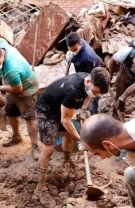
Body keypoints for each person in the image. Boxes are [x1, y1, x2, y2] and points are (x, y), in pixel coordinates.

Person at [34, 67, 110, 196]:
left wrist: (84, 109)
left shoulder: (88, 77)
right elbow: (65, 120)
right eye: (95, 92)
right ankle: (40, 185)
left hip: (62, 106)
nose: (95, 95)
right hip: (46, 110)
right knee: (49, 148)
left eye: (98, 93)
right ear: (88, 82)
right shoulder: (73, 91)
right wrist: (81, 140)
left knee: (69, 133)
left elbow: (88, 96)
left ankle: (67, 162)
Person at [0, 38, 40, 160]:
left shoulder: (11, 69)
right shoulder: (0, 45)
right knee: (11, 113)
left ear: (2, 54)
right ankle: (17, 137)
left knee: (29, 118)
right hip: (12, 86)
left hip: (26, 89)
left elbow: (17, 89)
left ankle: (35, 146)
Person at [65, 32, 101, 115]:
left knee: (91, 93)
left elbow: (83, 77)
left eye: (74, 50)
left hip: (93, 73)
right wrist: (72, 55)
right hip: (84, 66)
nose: (72, 51)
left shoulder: (86, 58)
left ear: (80, 44)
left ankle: (93, 113)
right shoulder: (78, 41)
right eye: (70, 49)